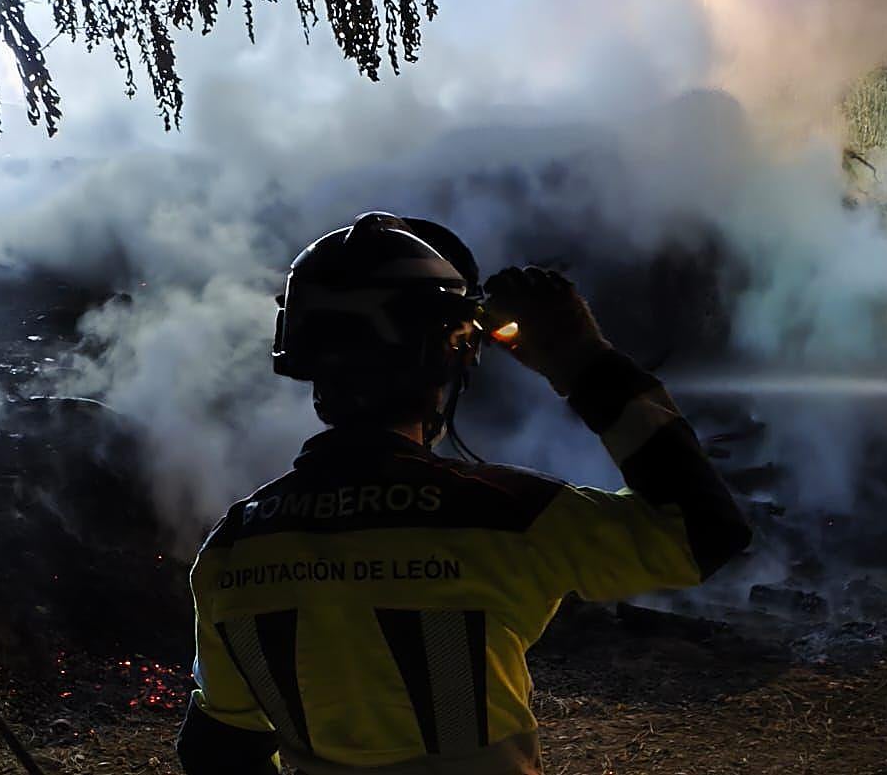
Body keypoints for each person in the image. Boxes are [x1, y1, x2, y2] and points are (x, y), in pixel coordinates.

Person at [175, 212, 752, 775]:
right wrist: (581, 360)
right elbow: (703, 534)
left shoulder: (233, 548)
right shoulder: (506, 518)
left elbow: (219, 749)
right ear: (450, 353)